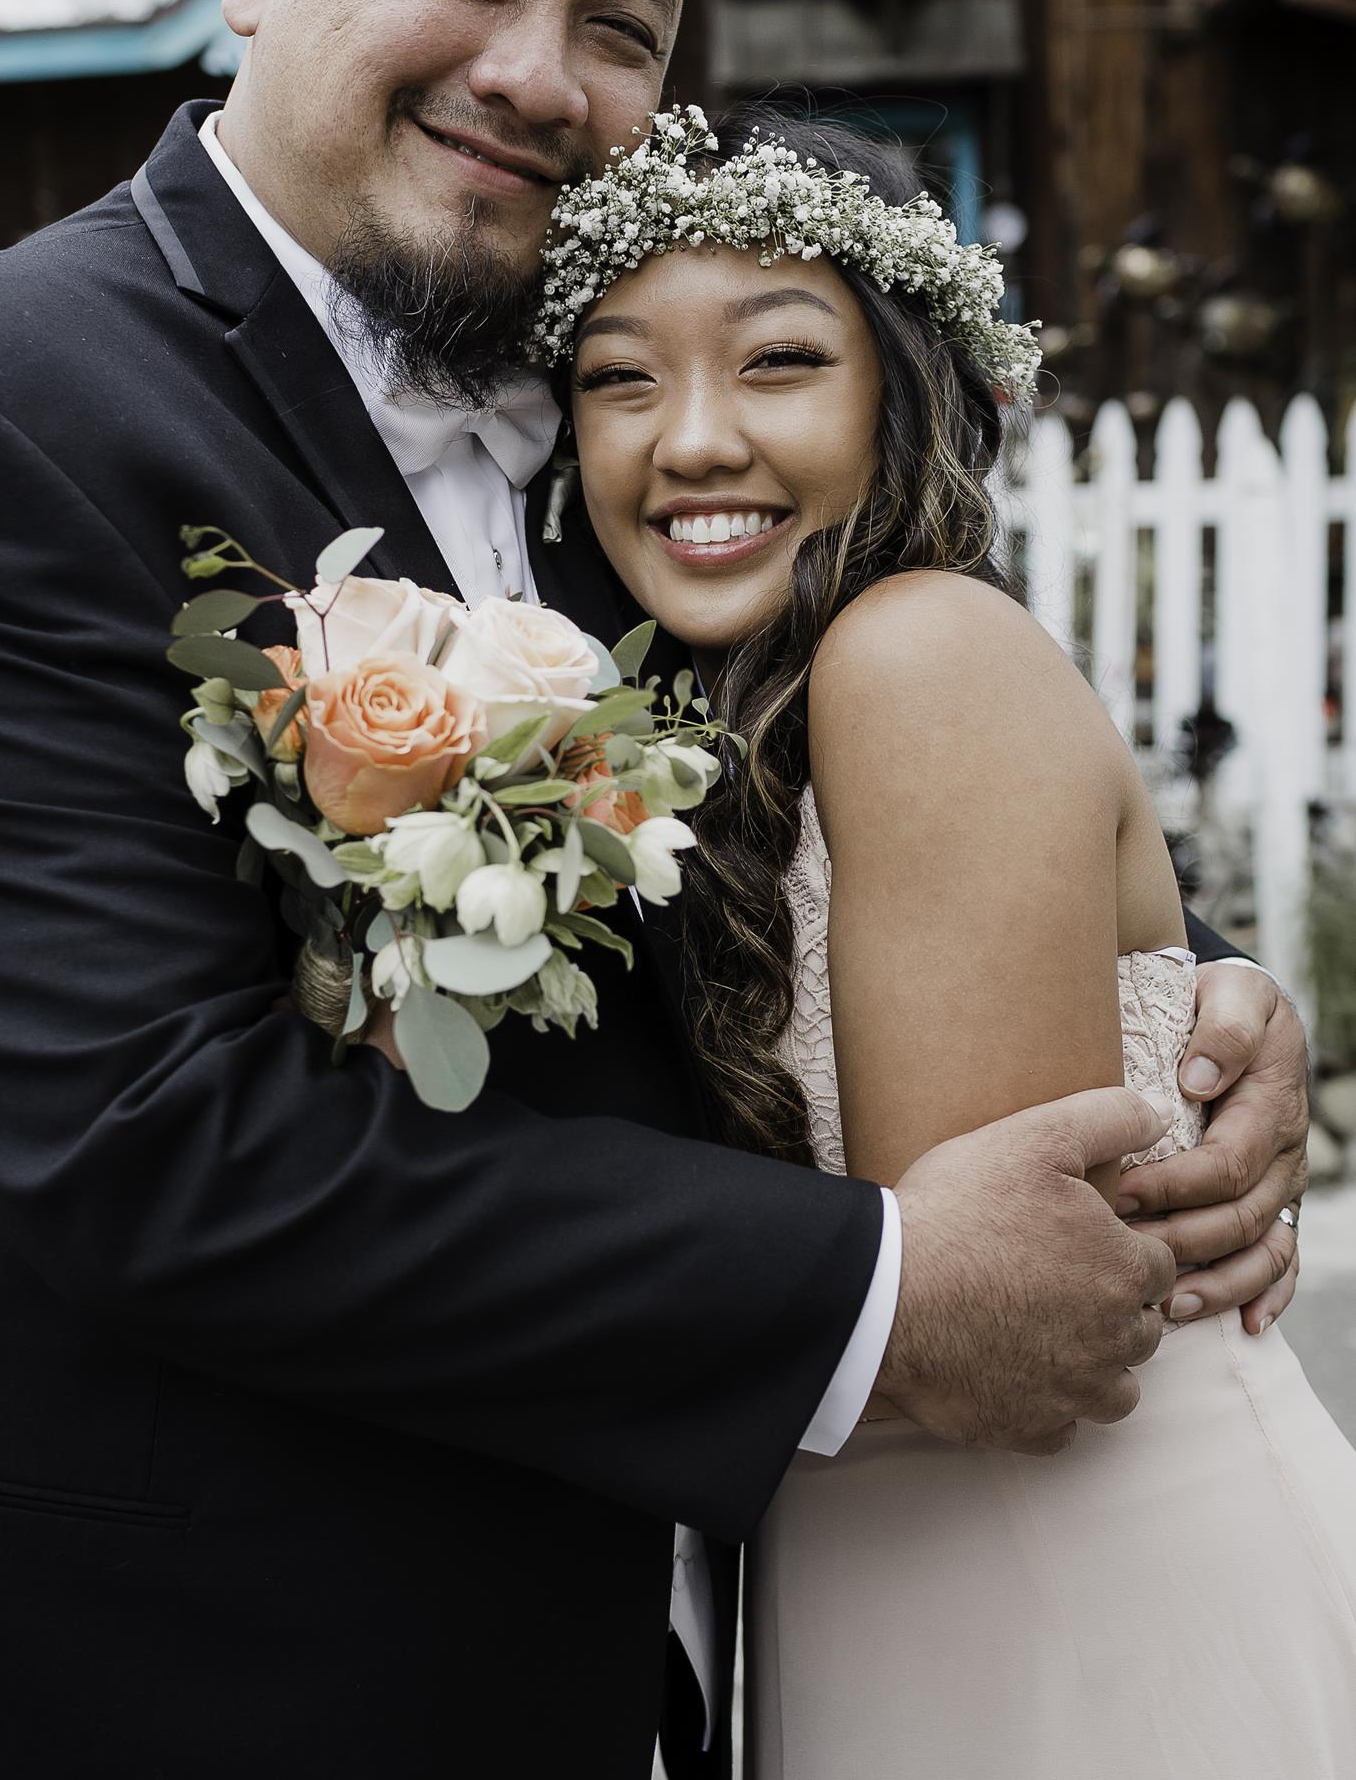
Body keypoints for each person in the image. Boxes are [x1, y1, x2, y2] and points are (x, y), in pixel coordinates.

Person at [0, 0, 1305, 1780]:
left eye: (621, 26)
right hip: (113, 1679)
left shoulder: (628, 456)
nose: (538, 72)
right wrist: (873, 1292)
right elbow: (149, 1133)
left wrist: (1186, 1011)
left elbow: (847, 825)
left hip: (590, 1677)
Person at [552, 102, 1353, 1778]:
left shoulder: (916, 655)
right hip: (887, 1572)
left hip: (1080, 1581)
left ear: (901, 392)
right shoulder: (724, 728)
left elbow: (982, 1298)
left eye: (779, 361)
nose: (690, 440)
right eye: (620, 378)